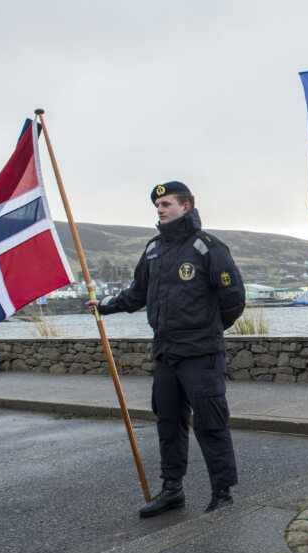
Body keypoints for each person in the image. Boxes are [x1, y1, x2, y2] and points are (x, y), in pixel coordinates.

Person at [89, 182, 246, 517]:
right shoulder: (153, 251)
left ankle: (223, 492)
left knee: (210, 422)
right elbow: (136, 294)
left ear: (186, 206)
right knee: (168, 422)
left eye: (166, 203)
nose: (160, 210)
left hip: (201, 354)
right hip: (166, 354)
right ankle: (172, 489)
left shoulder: (207, 247)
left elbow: (233, 299)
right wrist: (105, 306)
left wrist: (208, 330)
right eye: (157, 205)